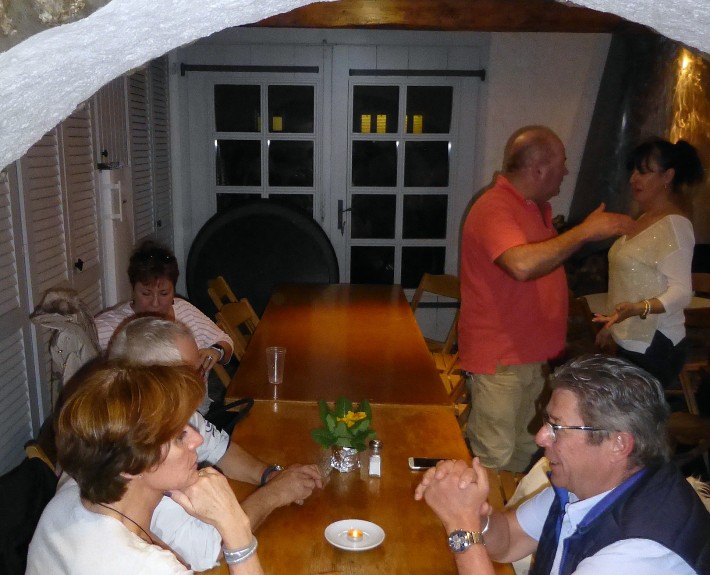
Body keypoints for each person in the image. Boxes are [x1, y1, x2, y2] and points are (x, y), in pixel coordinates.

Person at [415, 354, 710, 575]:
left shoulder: (639, 554)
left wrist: (462, 529)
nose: (540, 437)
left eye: (557, 427)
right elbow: (510, 540)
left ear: (618, 444)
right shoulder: (593, 485)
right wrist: (476, 516)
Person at [459, 125, 634, 471]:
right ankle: (479, 509)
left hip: (532, 356)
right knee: (494, 456)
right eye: (561, 163)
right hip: (501, 358)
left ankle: (510, 507)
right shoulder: (495, 207)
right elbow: (521, 265)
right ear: (539, 169)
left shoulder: (534, 209)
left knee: (525, 452)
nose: (566, 171)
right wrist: (584, 232)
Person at [27, 361, 264, 575]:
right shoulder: (149, 567)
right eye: (179, 437)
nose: (197, 440)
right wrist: (236, 528)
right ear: (130, 465)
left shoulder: (72, 492)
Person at [108, 316, 323, 533]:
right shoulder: (135, 452)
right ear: (154, 379)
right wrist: (275, 494)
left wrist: (270, 476)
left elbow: (221, 450)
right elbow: (216, 543)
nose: (202, 380)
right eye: (194, 372)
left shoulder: (172, 412)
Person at [593, 138, 704, 389]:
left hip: (656, 343)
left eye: (643, 172)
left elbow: (681, 292)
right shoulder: (644, 218)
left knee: (633, 413)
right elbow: (628, 282)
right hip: (632, 339)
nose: (634, 178)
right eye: (633, 171)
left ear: (667, 176)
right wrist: (612, 324)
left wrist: (638, 308)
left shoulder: (675, 224)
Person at [95, 240, 232, 413]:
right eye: (146, 293)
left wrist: (216, 351)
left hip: (197, 413)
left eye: (164, 293)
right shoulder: (109, 326)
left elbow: (225, 341)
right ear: (133, 289)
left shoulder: (184, 310)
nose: (155, 303)